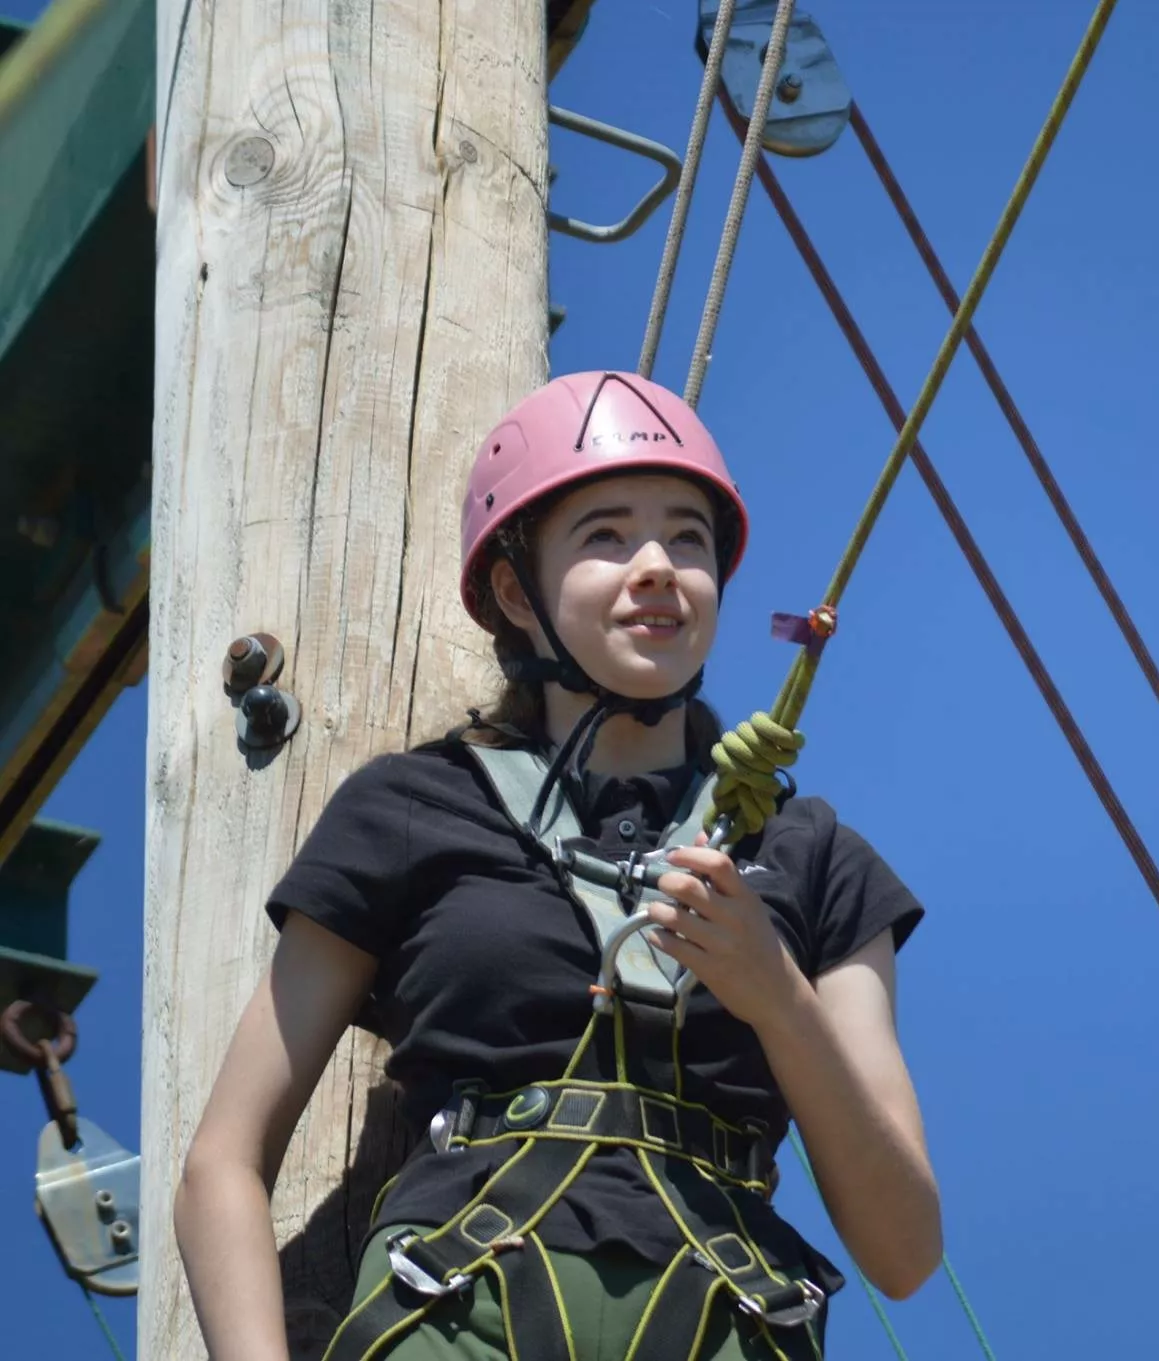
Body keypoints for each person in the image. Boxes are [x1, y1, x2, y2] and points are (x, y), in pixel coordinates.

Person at [174, 371, 942, 1361]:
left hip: (722, 1316)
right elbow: (222, 1162)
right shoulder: (415, 808)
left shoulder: (809, 856)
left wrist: (777, 999)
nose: (659, 566)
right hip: (459, 1310)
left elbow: (904, 1247)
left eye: (690, 538)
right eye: (606, 535)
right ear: (513, 590)